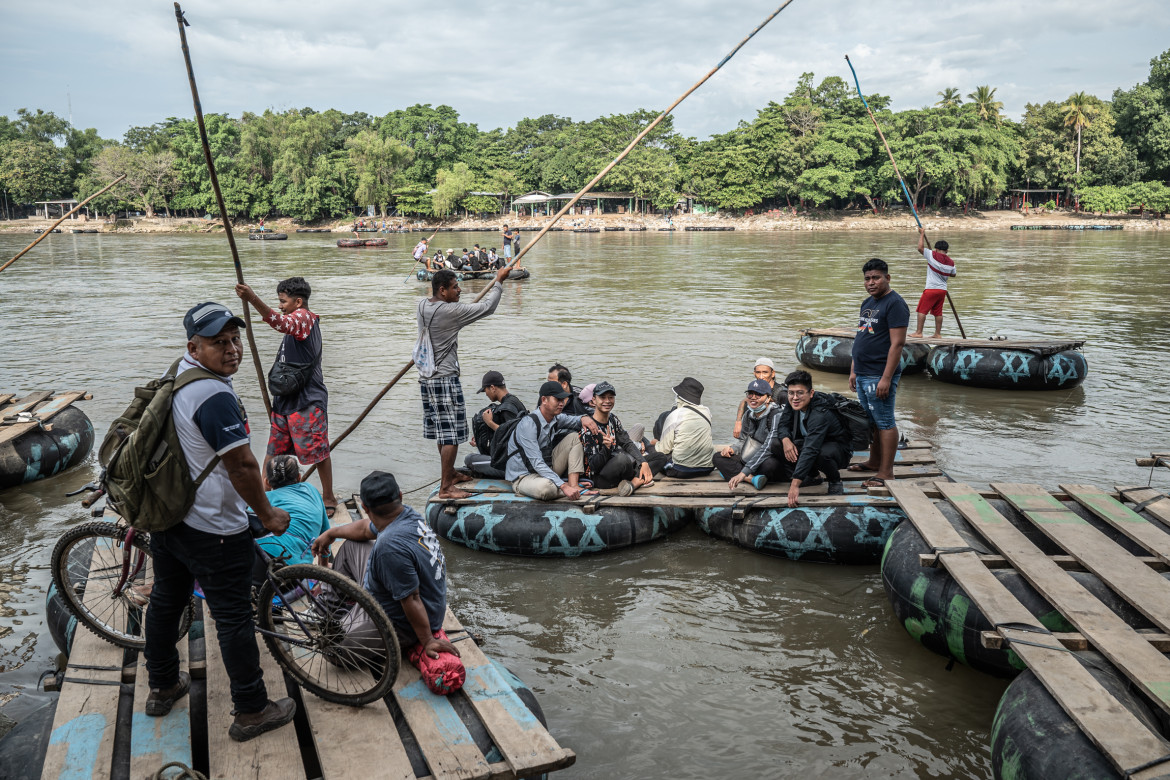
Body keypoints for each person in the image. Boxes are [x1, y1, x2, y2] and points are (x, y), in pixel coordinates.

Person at [144, 302, 295, 742]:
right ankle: (251, 709)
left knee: (167, 600)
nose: (232, 350)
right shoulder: (215, 395)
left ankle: (162, 685)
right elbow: (245, 467)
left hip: (170, 517)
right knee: (232, 618)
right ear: (195, 345)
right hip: (213, 527)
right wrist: (267, 514)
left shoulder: (179, 375)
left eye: (235, 340)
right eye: (218, 342)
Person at [309, 471, 465, 695]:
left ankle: (351, 627)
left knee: (332, 649)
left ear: (366, 506)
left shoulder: (389, 547)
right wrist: (331, 533)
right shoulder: (407, 515)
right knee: (351, 546)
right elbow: (364, 529)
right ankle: (333, 611)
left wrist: (428, 640)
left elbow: (411, 598)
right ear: (400, 496)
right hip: (402, 592)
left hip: (403, 621)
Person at [235, 277, 336, 517]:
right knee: (273, 450)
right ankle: (261, 495)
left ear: (298, 302)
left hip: (307, 401)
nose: (280, 306)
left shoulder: (304, 318)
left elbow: (279, 322)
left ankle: (328, 496)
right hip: (285, 400)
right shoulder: (297, 321)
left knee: (318, 451)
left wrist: (252, 299)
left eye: (283, 301)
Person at [417, 266, 511, 499]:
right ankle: (446, 487)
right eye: (455, 287)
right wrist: (498, 281)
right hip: (445, 379)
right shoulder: (451, 312)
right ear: (442, 290)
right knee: (450, 435)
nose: (460, 290)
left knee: (441, 432)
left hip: (427, 380)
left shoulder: (422, 305)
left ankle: (449, 474)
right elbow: (487, 307)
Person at [849, 258, 909, 488]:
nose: (871, 282)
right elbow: (861, 336)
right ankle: (874, 462)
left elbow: (897, 344)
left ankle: (886, 472)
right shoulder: (867, 303)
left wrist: (886, 378)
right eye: (867, 278)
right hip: (863, 371)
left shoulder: (895, 304)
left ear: (887, 278)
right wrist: (854, 369)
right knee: (870, 420)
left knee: (884, 421)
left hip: (879, 374)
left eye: (876, 278)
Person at [757, 370, 852, 506]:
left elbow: (811, 448)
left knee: (820, 453)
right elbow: (783, 424)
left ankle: (835, 480)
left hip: (835, 449)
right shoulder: (793, 402)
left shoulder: (819, 414)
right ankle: (814, 476)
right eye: (791, 393)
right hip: (811, 442)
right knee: (777, 444)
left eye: (800, 393)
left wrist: (795, 484)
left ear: (811, 393)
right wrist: (786, 440)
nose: (795, 397)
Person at [504, 380, 600, 500]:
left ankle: (574, 485)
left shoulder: (555, 418)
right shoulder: (528, 425)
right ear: (544, 400)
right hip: (524, 476)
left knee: (575, 437)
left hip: (547, 469)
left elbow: (573, 420)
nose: (562, 403)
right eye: (557, 400)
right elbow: (537, 462)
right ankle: (568, 489)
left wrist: (583, 418)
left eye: (563, 400)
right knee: (546, 489)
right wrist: (564, 486)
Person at [578, 381, 663, 494]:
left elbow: (627, 443)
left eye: (610, 397)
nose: (607, 401)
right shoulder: (589, 428)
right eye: (602, 397)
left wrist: (643, 462)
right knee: (622, 459)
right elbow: (593, 467)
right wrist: (606, 448)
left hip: (621, 469)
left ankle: (633, 483)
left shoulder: (613, 420)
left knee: (660, 457)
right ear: (594, 400)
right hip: (602, 478)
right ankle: (638, 480)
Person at [257, 454, 330, 568]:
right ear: (299, 477)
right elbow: (325, 534)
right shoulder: (311, 490)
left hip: (262, 555)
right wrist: (324, 567)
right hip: (297, 567)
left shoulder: (263, 500)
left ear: (267, 482)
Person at [714, 379, 780, 483]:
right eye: (750, 394)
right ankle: (751, 479)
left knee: (770, 465)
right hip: (749, 456)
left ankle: (735, 474)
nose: (753, 398)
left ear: (768, 398)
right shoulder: (748, 415)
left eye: (759, 394)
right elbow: (743, 440)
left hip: (765, 457)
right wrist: (732, 449)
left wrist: (743, 472)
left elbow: (768, 448)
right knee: (718, 457)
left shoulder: (775, 415)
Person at [652, 377, 714, 478]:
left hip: (681, 470)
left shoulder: (675, 415)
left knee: (651, 450)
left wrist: (656, 444)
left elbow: (664, 450)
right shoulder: (706, 412)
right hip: (707, 468)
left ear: (680, 397)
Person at [910, 227, 957, 338]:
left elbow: (920, 248)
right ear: (947, 251)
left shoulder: (932, 255)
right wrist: (943, 271)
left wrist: (922, 234)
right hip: (942, 290)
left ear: (935, 249)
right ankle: (937, 334)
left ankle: (919, 332)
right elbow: (953, 274)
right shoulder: (951, 262)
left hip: (931, 289)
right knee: (938, 312)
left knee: (922, 310)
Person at [470, 370, 527, 455]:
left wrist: (489, 422)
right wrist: (481, 440)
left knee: (470, 458)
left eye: (485, 390)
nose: (486, 394)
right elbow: (506, 429)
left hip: (516, 458)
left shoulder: (507, 408)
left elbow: (512, 435)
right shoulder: (513, 400)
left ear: (492, 388)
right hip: (521, 452)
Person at [731, 357, 788, 438]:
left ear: (772, 373)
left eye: (765, 372)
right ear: (754, 373)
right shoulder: (755, 388)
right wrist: (738, 421)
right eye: (758, 372)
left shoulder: (781, 393)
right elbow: (745, 401)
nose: (761, 377)